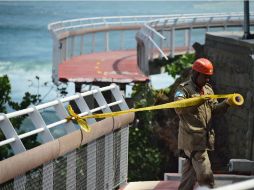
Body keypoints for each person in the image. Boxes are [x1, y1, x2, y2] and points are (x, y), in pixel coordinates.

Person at [174, 58, 231, 189]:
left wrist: (227, 104)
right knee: (206, 176)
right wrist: (197, 101)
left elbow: (214, 110)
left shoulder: (208, 90)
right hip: (192, 140)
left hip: (203, 139)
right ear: (196, 74)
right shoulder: (183, 90)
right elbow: (179, 108)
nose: (207, 80)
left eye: (209, 77)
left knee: (189, 176)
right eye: (205, 77)